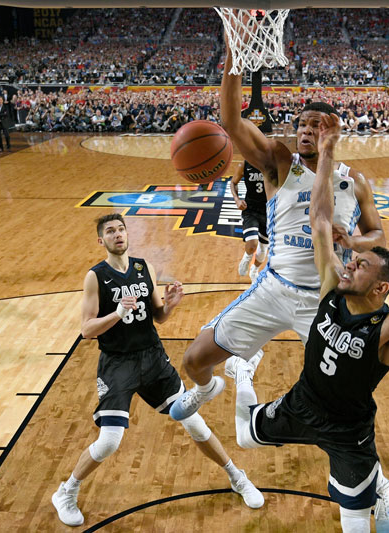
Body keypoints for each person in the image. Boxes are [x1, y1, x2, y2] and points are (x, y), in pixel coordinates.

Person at [233, 113, 389, 533]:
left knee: (355, 524)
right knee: (245, 437)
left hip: (348, 431)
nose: (350, 263)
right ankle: (244, 372)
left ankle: (378, 486)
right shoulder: (330, 288)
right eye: (353, 260)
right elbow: (320, 220)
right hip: (301, 405)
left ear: (380, 288)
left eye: (360, 265)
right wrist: (325, 155)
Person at [168, 40, 385, 422]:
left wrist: (354, 241)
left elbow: (378, 236)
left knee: (347, 396)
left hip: (325, 299)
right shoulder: (281, 163)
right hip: (274, 287)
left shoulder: (355, 182)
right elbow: (232, 122)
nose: (306, 131)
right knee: (194, 359)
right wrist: (234, 56)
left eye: (316, 125)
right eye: (302, 124)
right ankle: (205, 389)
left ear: (333, 132)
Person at [51, 214, 263, 527]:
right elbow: (87, 330)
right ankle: (66, 492)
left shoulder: (144, 268)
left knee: (195, 423)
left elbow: (158, 316)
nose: (118, 234)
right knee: (109, 441)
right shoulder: (95, 277)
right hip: (117, 364)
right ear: (101, 240)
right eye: (110, 231)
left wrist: (170, 305)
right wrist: (117, 314)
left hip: (152, 358)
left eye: (121, 229)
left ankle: (236, 476)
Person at [230, 159, 268, 282]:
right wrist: (237, 199)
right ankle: (247, 258)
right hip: (250, 209)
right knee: (252, 244)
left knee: (263, 249)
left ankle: (254, 270)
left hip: (268, 210)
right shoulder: (245, 165)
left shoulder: (273, 163)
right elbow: (233, 182)